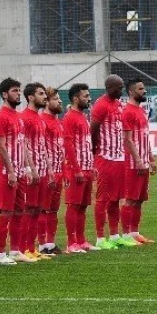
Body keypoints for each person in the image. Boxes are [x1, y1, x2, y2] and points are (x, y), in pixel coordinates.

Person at [91, 75, 136, 249]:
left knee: (116, 199)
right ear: (109, 87)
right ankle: (100, 239)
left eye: (122, 86)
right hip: (105, 158)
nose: (121, 90)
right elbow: (93, 129)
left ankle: (115, 235)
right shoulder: (101, 105)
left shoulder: (118, 104)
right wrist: (96, 149)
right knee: (103, 199)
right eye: (118, 87)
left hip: (118, 157)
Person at [0, 78, 29, 265]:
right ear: (5, 94)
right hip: (7, 171)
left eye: (19, 90)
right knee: (6, 212)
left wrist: (27, 168)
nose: (18, 93)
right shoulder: (1, 116)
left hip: (20, 171)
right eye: (15, 90)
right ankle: (0, 253)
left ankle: (15, 250)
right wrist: (11, 170)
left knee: (19, 211)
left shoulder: (18, 117)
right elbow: (0, 146)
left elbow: (22, 145)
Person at [122, 79, 157, 244]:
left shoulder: (142, 111)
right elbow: (127, 140)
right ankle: (126, 234)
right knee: (130, 198)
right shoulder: (127, 111)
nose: (144, 91)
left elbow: (145, 137)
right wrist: (138, 160)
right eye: (141, 89)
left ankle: (135, 232)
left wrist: (151, 158)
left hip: (143, 161)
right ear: (131, 91)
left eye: (144, 88)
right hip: (132, 163)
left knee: (140, 199)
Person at [63, 83, 96, 253]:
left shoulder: (83, 116)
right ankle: (71, 243)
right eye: (85, 96)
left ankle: (81, 240)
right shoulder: (69, 117)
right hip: (76, 170)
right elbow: (68, 145)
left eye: (89, 95)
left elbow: (86, 144)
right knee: (74, 205)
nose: (88, 98)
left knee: (83, 206)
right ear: (76, 98)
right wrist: (76, 169)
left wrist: (92, 165)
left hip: (87, 168)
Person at [20, 82, 51, 261]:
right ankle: (24, 248)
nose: (44, 97)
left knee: (38, 209)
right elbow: (23, 146)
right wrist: (30, 168)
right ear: (31, 97)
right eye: (40, 94)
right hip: (32, 172)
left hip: (42, 170)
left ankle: (32, 248)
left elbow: (42, 146)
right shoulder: (25, 117)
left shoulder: (39, 118)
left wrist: (49, 169)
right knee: (29, 209)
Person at [40, 88, 66, 254]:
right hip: (47, 172)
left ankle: (50, 243)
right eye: (56, 99)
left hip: (59, 171)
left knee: (54, 209)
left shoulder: (58, 122)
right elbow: (40, 148)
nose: (60, 101)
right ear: (47, 102)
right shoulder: (43, 121)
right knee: (43, 209)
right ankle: (41, 245)